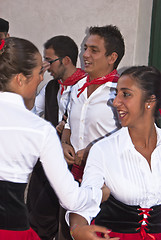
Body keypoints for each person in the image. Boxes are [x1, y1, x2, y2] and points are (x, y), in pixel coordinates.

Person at [0, 37, 119, 240]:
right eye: (39, 73)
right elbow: (71, 199)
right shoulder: (38, 130)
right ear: (20, 79)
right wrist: (100, 193)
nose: (41, 79)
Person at [67, 66, 161, 240]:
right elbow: (84, 204)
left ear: (150, 101)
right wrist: (77, 230)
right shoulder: (103, 150)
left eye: (125, 94)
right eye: (116, 93)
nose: (115, 101)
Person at [26, 35, 86, 240]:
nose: (46, 66)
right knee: (33, 207)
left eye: (49, 61)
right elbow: (32, 113)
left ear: (66, 60)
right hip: (49, 158)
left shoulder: (87, 87)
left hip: (73, 164)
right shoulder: (52, 87)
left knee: (50, 217)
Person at [61, 25, 125, 181]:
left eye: (94, 50)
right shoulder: (77, 86)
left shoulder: (121, 91)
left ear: (112, 58)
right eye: (85, 48)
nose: (85, 55)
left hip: (106, 175)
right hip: (72, 173)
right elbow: (69, 124)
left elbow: (128, 136)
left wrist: (92, 151)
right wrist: (64, 143)